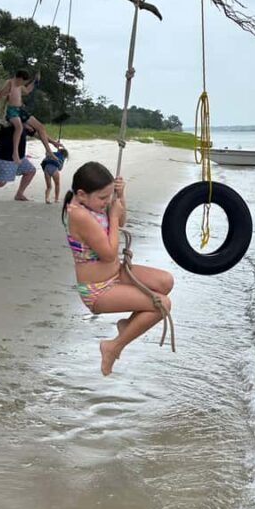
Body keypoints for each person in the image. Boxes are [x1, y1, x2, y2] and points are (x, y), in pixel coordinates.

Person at [62, 161, 174, 376]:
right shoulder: (79, 214)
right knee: (163, 305)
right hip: (97, 289)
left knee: (165, 282)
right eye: (103, 198)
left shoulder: (93, 205)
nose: (106, 202)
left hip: (117, 274)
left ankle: (128, 325)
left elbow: (121, 221)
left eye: (108, 196)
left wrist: (120, 197)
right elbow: (109, 254)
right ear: (81, 194)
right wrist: (112, 215)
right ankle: (113, 346)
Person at [0, 69, 57, 165]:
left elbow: (27, 91)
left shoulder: (20, 85)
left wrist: (35, 81)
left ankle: (48, 151)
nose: (23, 84)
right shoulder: (10, 83)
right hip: (12, 111)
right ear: (19, 78)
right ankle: (15, 153)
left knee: (40, 127)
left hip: (20, 110)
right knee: (19, 127)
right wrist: (6, 93)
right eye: (23, 82)